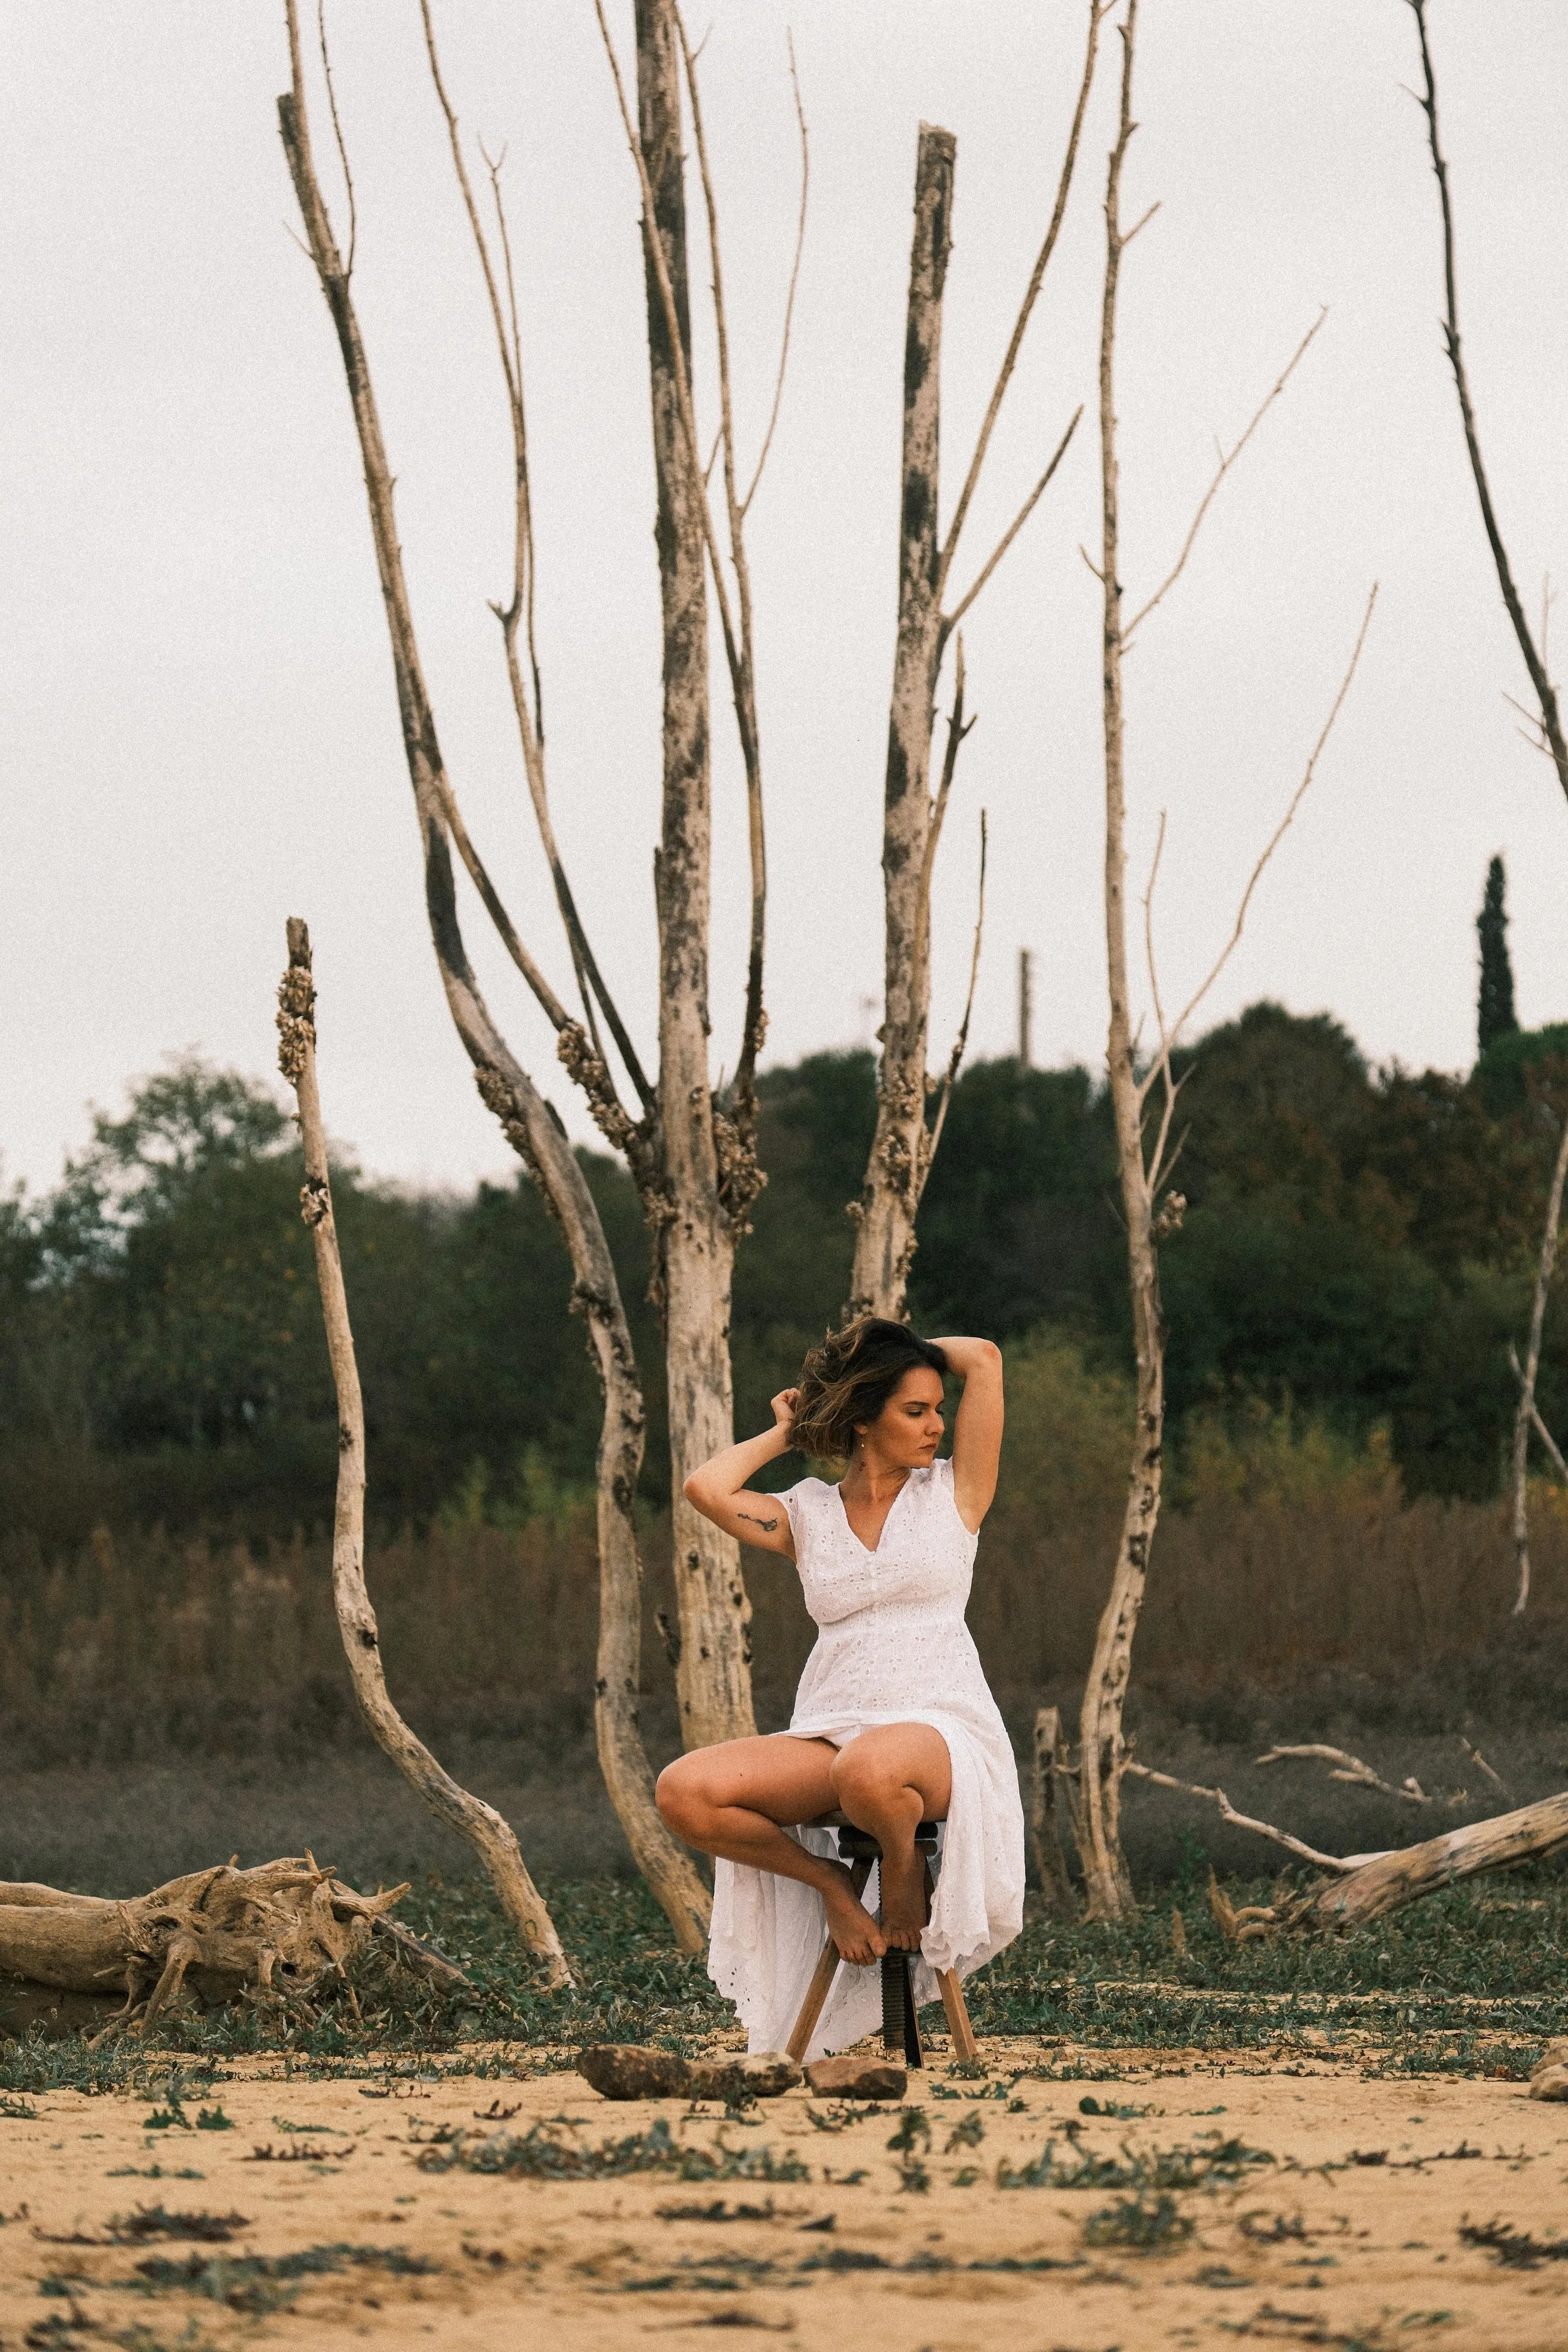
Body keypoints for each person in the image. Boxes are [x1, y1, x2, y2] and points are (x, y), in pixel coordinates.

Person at [657, 1318, 1025, 2058]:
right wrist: (787, 1432)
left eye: (937, 1409)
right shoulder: (806, 1515)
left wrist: (897, 1353)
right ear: (862, 1420)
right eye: (914, 1411)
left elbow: (983, 1359)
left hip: (940, 1730)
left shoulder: (955, 1492)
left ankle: (903, 1869)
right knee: (684, 1791)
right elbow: (705, 1488)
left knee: (869, 1769)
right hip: (832, 1729)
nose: (935, 1425)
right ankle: (830, 1885)